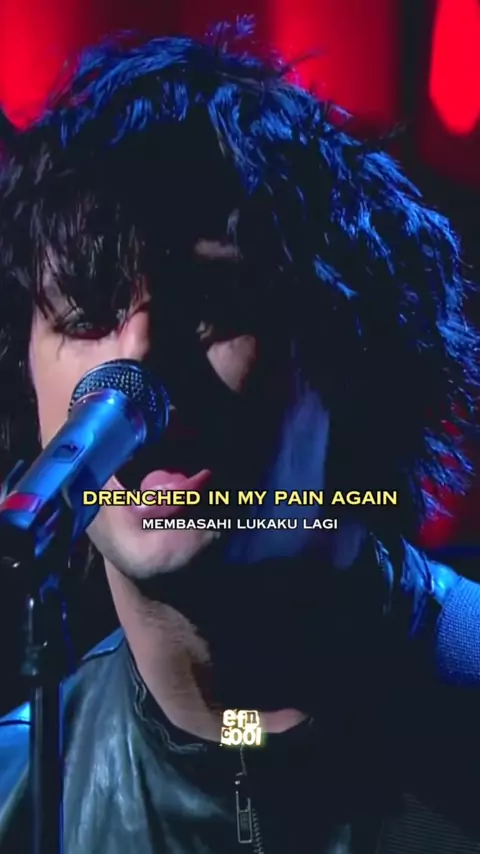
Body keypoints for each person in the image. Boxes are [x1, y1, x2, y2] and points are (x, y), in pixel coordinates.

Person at [0, 19, 479, 854]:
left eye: (211, 306)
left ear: (345, 351)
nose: (138, 370)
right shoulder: (21, 795)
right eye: (88, 313)